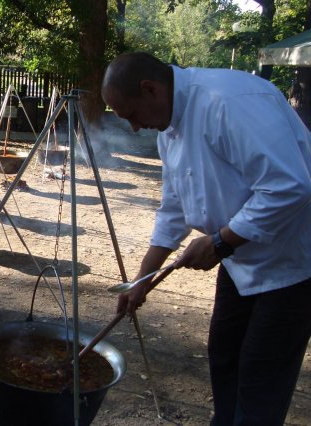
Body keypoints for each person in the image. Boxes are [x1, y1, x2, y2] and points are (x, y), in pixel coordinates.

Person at [101, 52, 311, 425]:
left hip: (292, 264)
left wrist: (220, 241)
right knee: (225, 355)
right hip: (239, 259)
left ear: (150, 89)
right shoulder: (170, 126)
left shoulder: (227, 103)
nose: (133, 127)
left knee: (261, 374)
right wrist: (142, 281)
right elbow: (174, 208)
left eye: (130, 115)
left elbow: (289, 186)